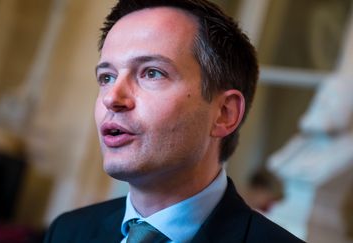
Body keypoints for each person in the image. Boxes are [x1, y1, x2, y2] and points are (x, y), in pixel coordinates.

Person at [44, 0, 304, 242]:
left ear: (224, 113)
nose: (112, 98)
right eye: (107, 77)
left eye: (152, 73)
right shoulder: (66, 231)